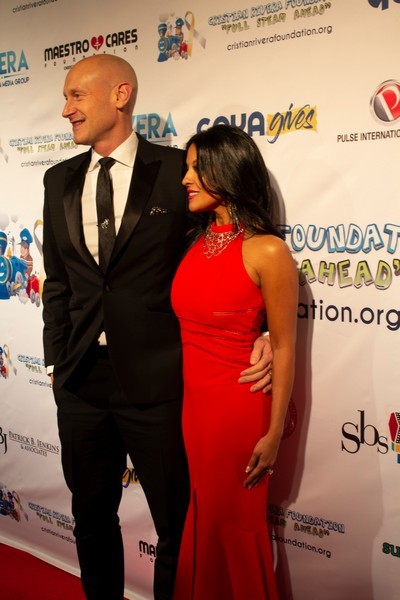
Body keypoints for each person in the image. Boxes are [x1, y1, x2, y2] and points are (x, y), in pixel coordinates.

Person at [42, 55, 273, 600]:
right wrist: (55, 361)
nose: (66, 109)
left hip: (159, 382)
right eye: (66, 97)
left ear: (120, 94)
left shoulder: (176, 171)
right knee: (91, 518)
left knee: (175, 524)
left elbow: (236, 240)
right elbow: (57, 279)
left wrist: (261, 328)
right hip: (81, 381)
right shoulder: (58, 179)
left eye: (76, 95)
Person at [171, 125, 298, 600]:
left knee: (235, 524)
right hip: (195, 412)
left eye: (196, 167)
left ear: (227, 170)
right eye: (186, 167)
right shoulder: (196, 240)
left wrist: (274, 434)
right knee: (204, 517)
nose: (186, 178)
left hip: (237, 412)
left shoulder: (267, 249)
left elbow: (284, 347)